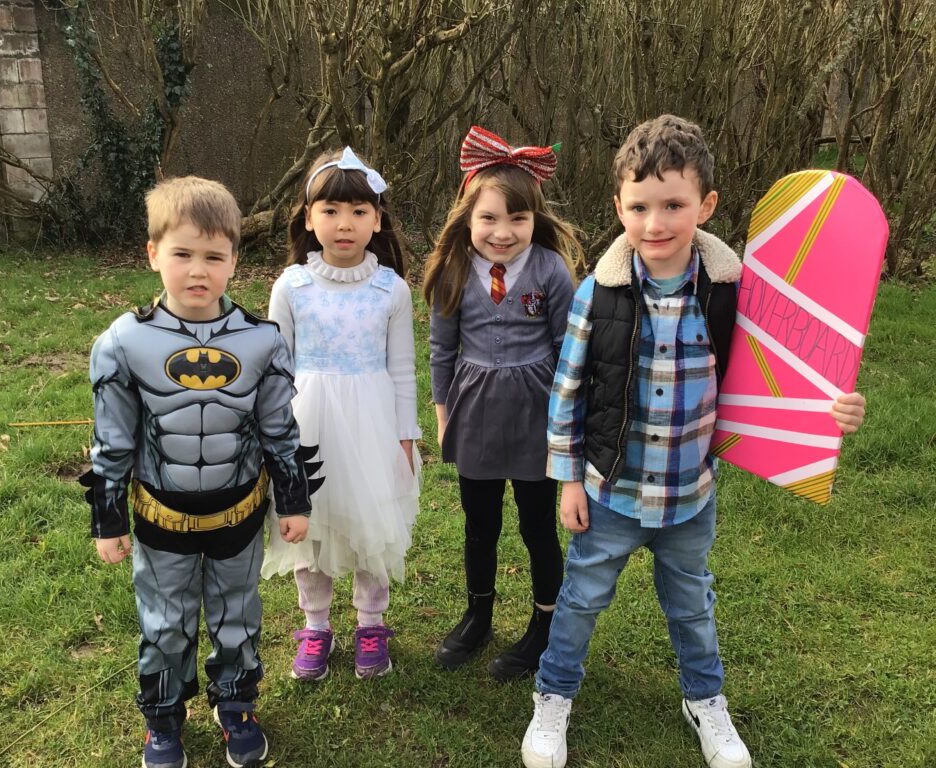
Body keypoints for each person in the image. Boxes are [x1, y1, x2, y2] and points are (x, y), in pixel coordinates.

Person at [519, 115, 867, 768]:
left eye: (673, 205)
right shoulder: (598, 295)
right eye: (640, 207)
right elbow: (567, 392)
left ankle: (705, 699)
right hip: (611, 492)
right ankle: (553, 695)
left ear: (705, 205)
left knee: (692, 606)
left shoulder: (735, 294)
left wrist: (832, 411)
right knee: (580, 601)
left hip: (689, 497)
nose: (655, 223)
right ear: (619, 207)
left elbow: (782, 375)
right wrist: (567, 480)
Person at [82, 176, 320, 768]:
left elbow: (279, 431)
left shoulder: (262, 342)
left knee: (237, 615)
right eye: (182, 253)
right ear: (153, 253)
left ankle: (236, 705)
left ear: (235, 259)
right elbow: (112, 442)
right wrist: (107, 521)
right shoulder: (123, 342)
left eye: (214, 256)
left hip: (239, 513)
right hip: (160, 516)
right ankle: (163, 721)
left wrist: (293, 502)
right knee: (165, 624)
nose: (197, 270)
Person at [424, 126, 583, 682]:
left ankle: (545, 623)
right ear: (467, 217)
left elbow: (569, 353)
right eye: (489, 218)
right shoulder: (453, 270)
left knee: (538, 525)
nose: (503, 231)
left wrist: (566, 428)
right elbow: (441, 350)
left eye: (517, 218)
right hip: (474, 415)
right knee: (480, 524)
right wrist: (444, 417)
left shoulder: (550, 271)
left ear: (535, 219)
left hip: (536, 416)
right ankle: (478, 614)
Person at [262, 147, 421, 682]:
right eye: (330, 210)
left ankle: (371, 623)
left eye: (358, 211)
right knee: (310, 525)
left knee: (372, 523)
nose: (344, 223)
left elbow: (402, 370)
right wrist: (275, 437)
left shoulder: (391, 290)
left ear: (377, 220)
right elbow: (275, 369)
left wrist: (405, 436)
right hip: (309, 423)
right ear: (309, 218)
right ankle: (315, 625)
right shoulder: (292, 286)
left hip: (373, 423)